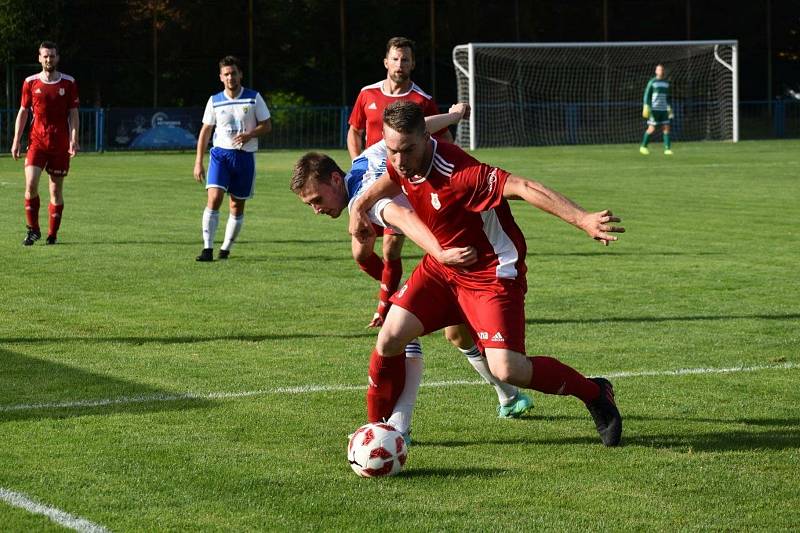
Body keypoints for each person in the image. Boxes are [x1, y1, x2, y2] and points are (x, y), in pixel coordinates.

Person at [349, 101, 626, 447]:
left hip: (491, 273)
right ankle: (377, 432)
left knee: (509, 369)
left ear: (426, 136)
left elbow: (524, 186)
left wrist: (582, 219)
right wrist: (359, 206)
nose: (400, 160)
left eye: (407, 150)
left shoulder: (461, 173)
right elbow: (390, 181)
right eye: (392, 150)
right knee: (390, 338)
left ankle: (594, 391)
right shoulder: (400, 161)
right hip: (442, 267)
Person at [291, 108, 534, 439]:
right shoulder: (370, 154)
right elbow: (421, 128)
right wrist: (451, 117)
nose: (316, 209)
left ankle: (398, 429)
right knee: (457, 335)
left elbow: (403, 217)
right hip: (454, 241)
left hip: (467, 241)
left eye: (316, 200)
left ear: (335, 179)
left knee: (403, 336)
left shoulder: (363, 197)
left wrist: (434, 255)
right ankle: (508, 396)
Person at [347, 36, 452, 328]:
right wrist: (358, 163)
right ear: (385, 61)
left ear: (413, 64)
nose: (400, 64)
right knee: (360, 250)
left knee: (391, 249)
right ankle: (398, 295)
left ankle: (387, 307)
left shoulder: (422, 101)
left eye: (405, 59)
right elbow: (354, 131)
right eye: (395, 58)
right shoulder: (367, 94)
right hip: (369, 182)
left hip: (401, 186)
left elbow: (442, 139)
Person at [193, 55, 272, 261]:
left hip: (244, 158)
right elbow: (205, 131)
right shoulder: (215, 101)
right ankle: (207, 249)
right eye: (226, 74)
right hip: (221, 155)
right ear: (221, 77)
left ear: (240, 75)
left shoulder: (253, 98)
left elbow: (267, 125)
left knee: (236, 205)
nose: (230, 77)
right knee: (214, 197)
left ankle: (226, 248)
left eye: (233, 73)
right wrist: (198, 162)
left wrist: (250, 134)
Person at [11, 41, 80, 246]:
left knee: (55, 191)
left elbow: (73, 113)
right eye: (45, 56)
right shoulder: (30, 82)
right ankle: (33, 230)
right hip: (37, 142)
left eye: (52, 56)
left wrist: (73, 139)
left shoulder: (68, 83)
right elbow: (23, 112)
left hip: (59, 144)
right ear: (39, 58)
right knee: (30, 184)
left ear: (57, 58)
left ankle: (52, 234)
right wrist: (16, 140)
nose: (49, 59)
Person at [640, 64, 673, 155]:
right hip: (654, 109)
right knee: (652, 128)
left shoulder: (666, 83)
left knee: (666, 128)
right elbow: (647, 95)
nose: (661, 71)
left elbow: (667, 97)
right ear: (656, 71)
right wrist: (646, 106)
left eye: (662, 70)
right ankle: (643, 146)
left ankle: (667, 149)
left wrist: (669, 107)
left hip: (663, 110)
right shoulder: (652, 82)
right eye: (659, 70)